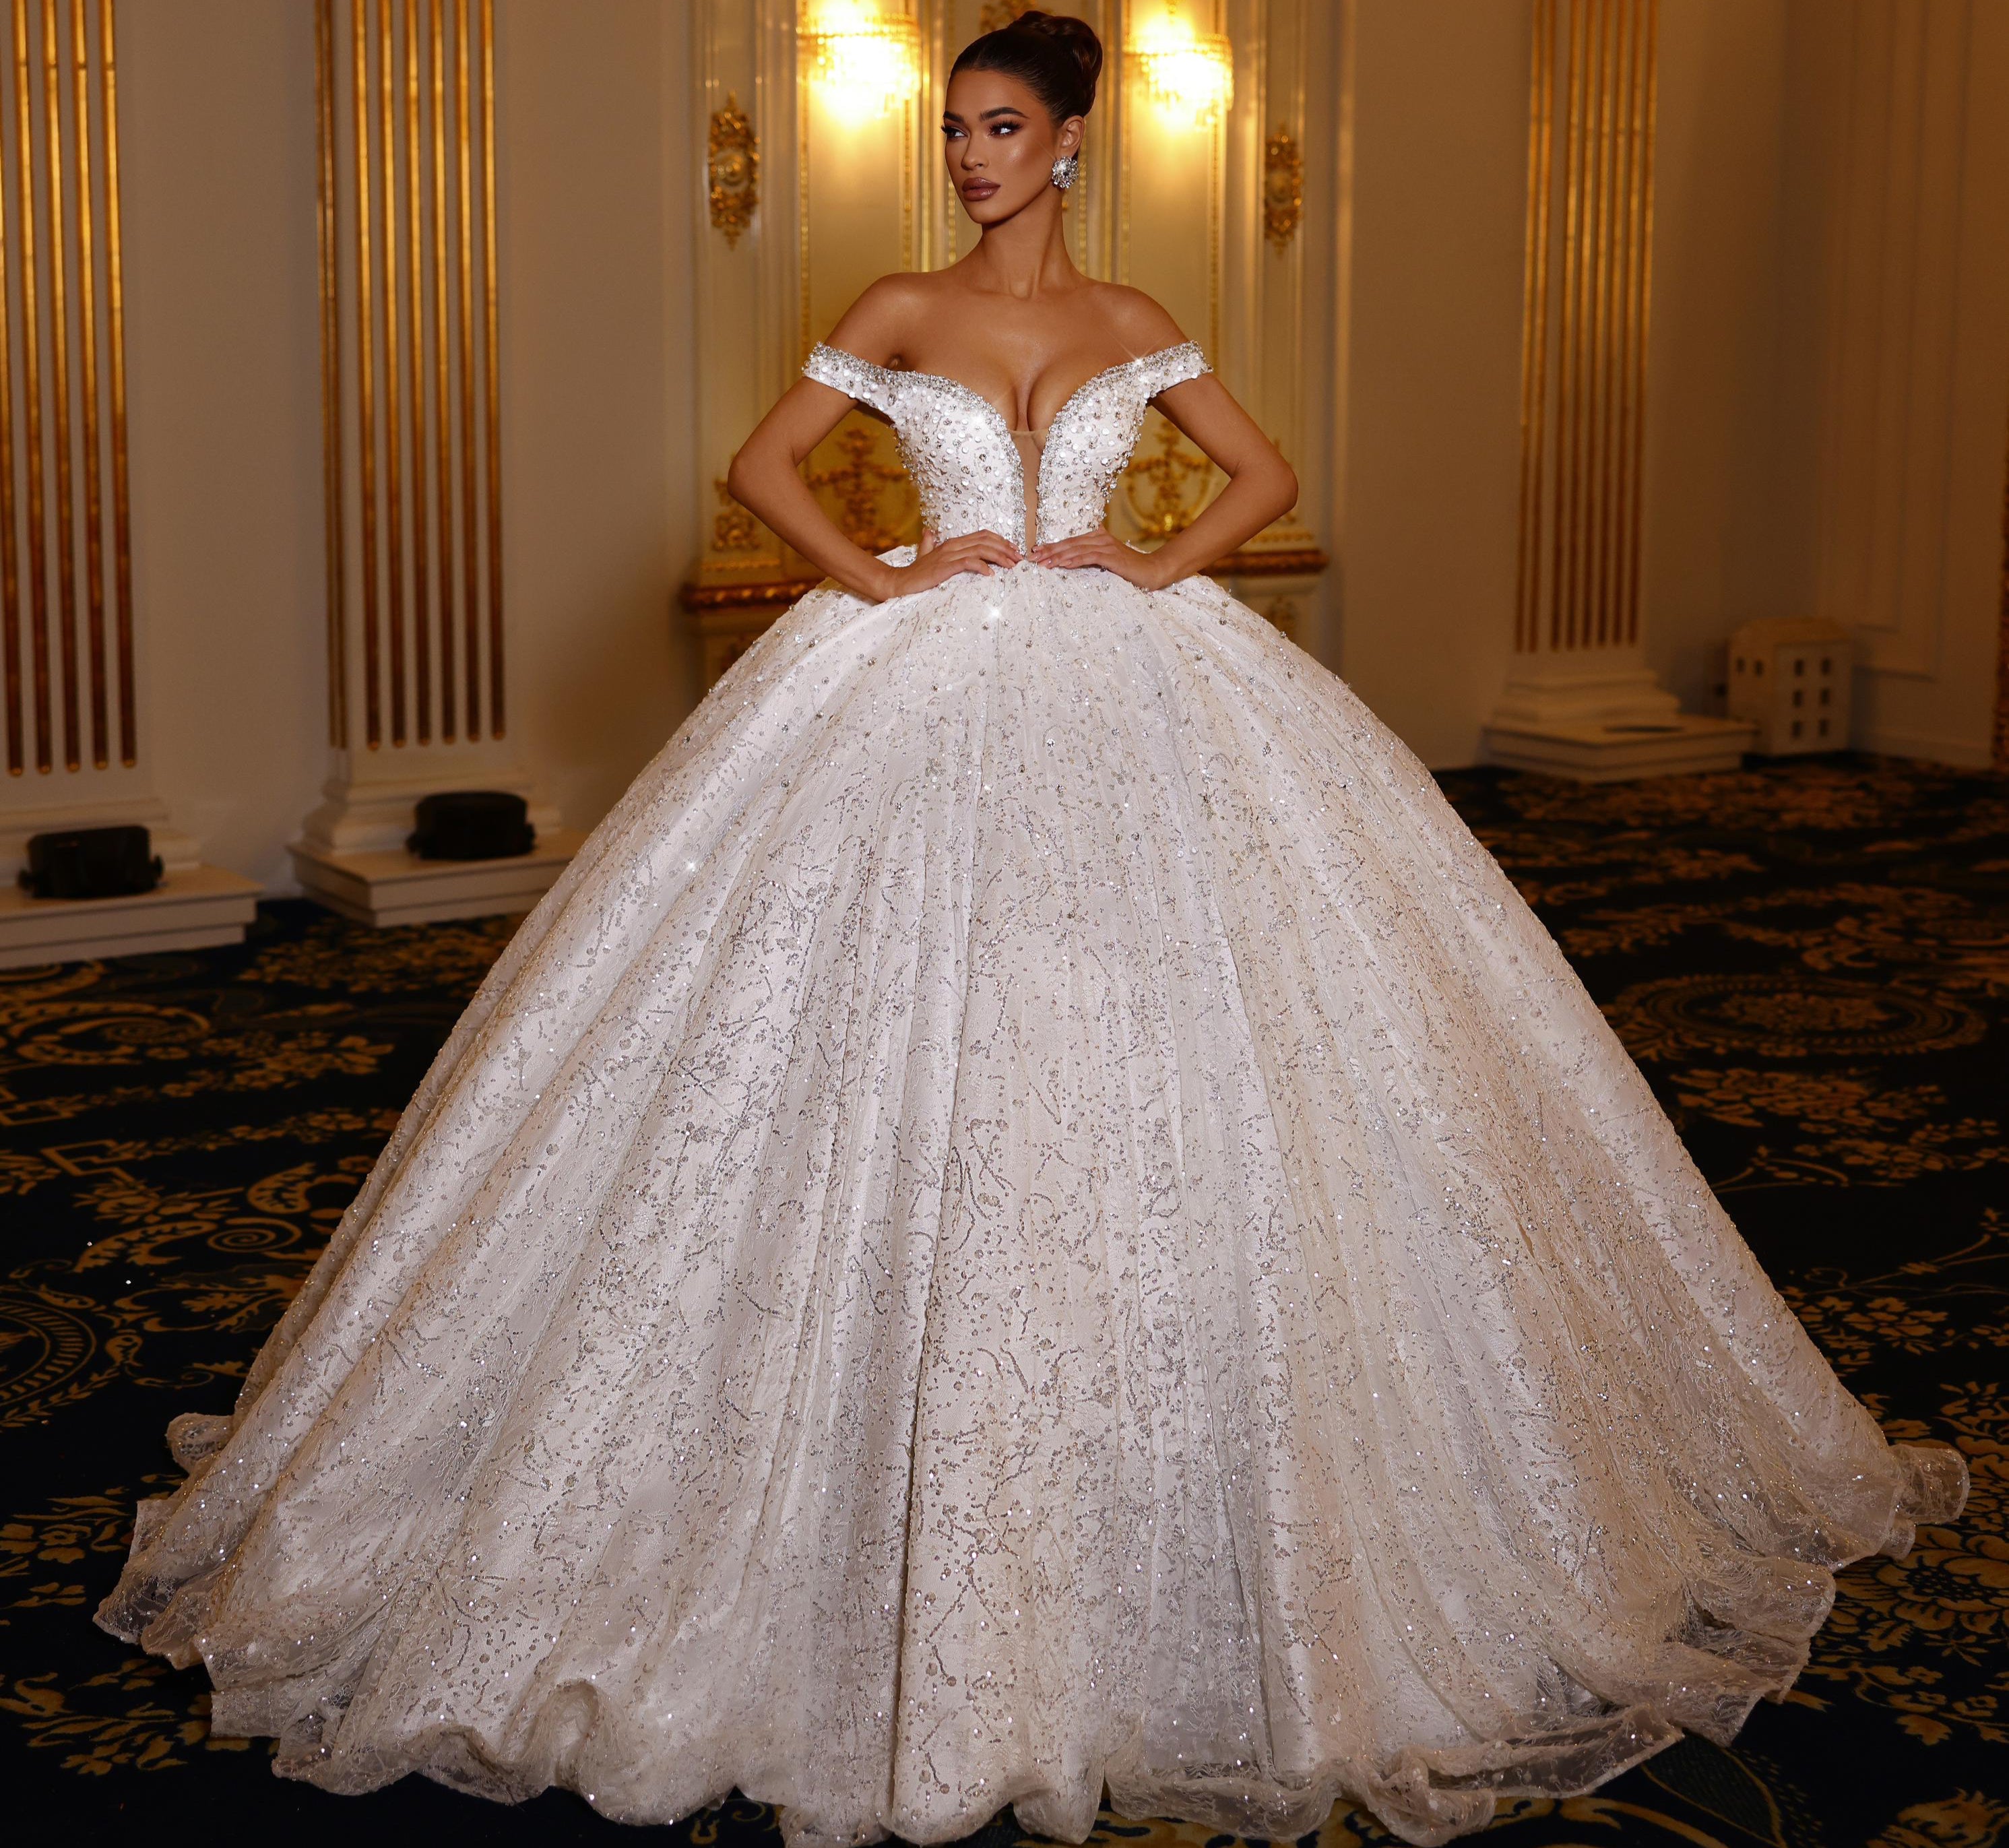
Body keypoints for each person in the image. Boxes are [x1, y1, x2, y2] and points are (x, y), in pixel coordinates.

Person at [99, 13, 1965, 1848]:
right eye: (958, 129)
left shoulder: (1140, 323)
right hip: (909, 680)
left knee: (1181, 1030)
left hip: (1125, 672)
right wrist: (890, 570)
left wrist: (1141, 567)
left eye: (1002, 128)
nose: (972, 155)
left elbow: (1266, 477)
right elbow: (766, 467)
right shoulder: (900, 302)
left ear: (1070, 144)